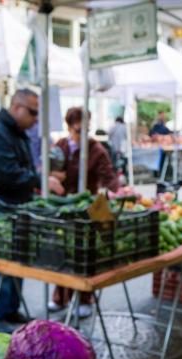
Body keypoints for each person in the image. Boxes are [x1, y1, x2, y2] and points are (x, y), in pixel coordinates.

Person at [0, 89, 54, 332]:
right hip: (2, 206)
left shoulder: (16, 132)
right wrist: (39, 181)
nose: (35, 118)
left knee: (16, 262)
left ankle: (9, 310)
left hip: (17, 206)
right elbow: (7, 173)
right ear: (17, 107)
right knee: (3, 263)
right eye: (32, 112)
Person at [47, 106, 121, 319]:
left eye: (86, 129)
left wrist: (117, 191)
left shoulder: (96, 149)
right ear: (69, 127)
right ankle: (60, 296)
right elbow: (47, 169)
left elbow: (108, 175)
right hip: (63, 207)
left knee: (84, 254)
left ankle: (85, 297)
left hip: (88, 207)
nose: (82, 134)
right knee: (61, 253)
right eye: (78, 129)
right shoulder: (60, 146)